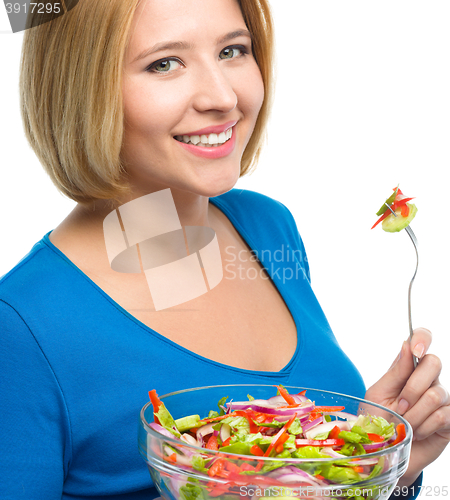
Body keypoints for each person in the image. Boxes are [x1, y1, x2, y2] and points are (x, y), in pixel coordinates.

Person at [0, 0, 449, 498]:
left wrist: (373, 469)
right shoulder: (19, 329)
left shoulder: (266, 227)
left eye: (233, 50)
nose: (222, 96)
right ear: (78, 88)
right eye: (164, 63)